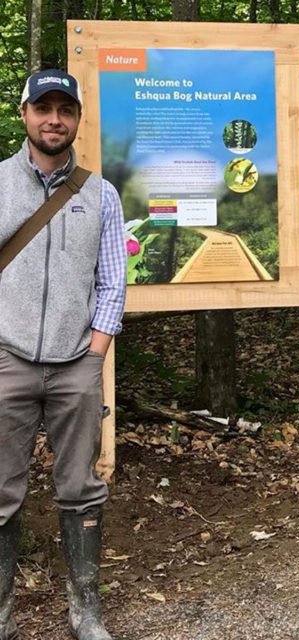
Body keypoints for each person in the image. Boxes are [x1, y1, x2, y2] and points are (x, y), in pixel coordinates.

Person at [0, 69, 126, 640]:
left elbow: (113, 282)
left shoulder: (100, 194)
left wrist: (93, 355)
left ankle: (85, 610)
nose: (55, 119)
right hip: (8, 360)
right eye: (43, 108)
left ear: (77, 119)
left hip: (77, 362)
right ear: (23, 113)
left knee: (81, 487)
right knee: (1, 489)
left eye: (65, 110)